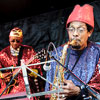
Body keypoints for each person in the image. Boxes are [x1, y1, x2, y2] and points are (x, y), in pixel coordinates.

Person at [45, 4, 100, 100]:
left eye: (81, 30)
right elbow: (48, 91)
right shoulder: (56, 54)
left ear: (89, 32)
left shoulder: (98, 52)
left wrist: (79, 91)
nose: (75, 34)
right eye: (71, 29)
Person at [0, 27, 44, 100]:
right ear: (9, 39)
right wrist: (4, 75)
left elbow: (37, 72)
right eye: (12, 41)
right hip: (10, 90)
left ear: (22, 40)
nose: (15, 43)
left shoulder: (29, 51)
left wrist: (28, 71)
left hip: (27, 87)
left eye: (18, 41)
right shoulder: (2, 54)